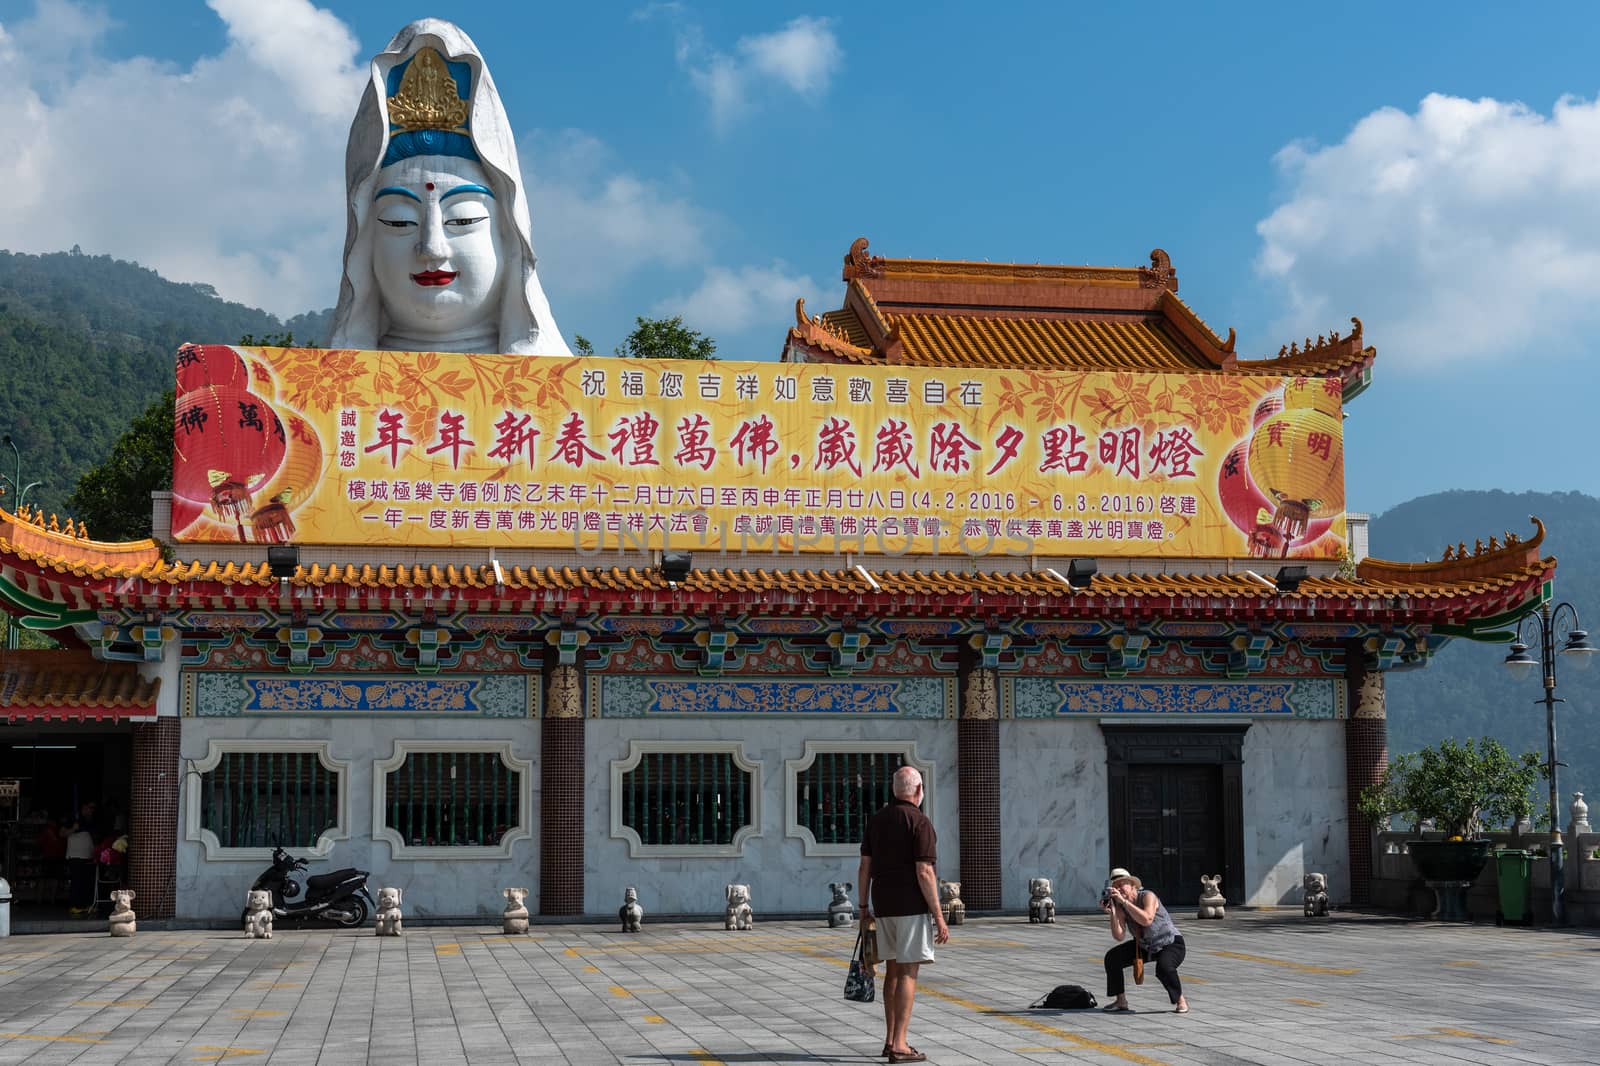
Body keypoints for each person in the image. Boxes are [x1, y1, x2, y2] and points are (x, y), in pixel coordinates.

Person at [329, 19, 572, 357]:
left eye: (463, 219)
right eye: (400, 222)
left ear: (509, 235)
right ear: (365, 242)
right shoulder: (314, 397)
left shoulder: (572, 400)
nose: (432, 248)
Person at [857, 766, 950, 1064]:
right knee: (909, 972)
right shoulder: (919, 822)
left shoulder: (877, 820)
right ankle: (900, 1044)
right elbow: (924, 871)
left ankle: (889, 1039)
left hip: (883, 905)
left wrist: (862, 907)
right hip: (911, 907)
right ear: (919, 790)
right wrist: (939, 914)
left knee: (893, 971)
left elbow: (864, 867)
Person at [1101, 868, 1189, 1014]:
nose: (1118, 889)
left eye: (1122, 884)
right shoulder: (1120, 906)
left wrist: (1123, 902)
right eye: (1115, 886)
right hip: (1144, 946)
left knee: (1164, 967)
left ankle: (1180, 1000)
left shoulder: (1148, 896)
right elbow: (1119, 936)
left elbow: (1147, 919)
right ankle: (1121, 1001)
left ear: (1133, 885)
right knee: (1112, 958)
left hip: (1170, 943)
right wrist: (1113, 912)